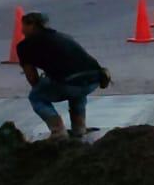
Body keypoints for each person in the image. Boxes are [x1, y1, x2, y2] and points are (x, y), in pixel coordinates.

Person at [16, 11, 109, 139]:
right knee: (77, 90)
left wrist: (43, 86)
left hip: (70, 82)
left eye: (23, 26)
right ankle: (79, 128)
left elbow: (32, 78)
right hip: (94, 78)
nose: (21, 30)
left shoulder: (24, 46)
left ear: (32, 25)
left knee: (36, 97)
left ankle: (58, 131)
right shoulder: (63, 37)